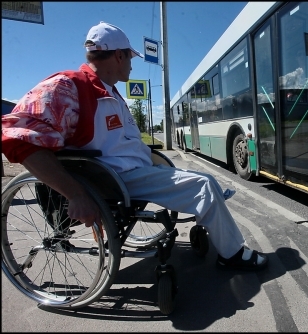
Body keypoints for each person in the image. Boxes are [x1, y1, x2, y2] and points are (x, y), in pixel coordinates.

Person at [1, 22, 268, 271]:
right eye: (130, 58)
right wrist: (75, 194)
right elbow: (19, 138)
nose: (131, 65)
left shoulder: (110, 92)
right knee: (205, 186)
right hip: (115, 178)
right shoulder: (68, 86)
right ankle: (232, 255)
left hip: (130, 172)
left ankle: (214, 222)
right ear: (119, 56)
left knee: (205, 181)